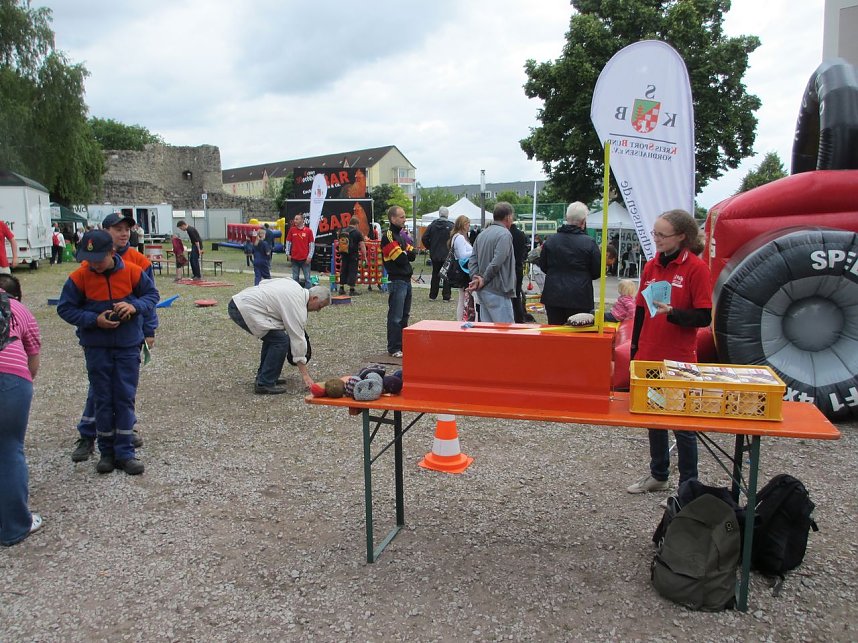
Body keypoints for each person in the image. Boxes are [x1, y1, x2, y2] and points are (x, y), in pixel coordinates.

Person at [57, 230, 159, 475]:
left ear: (112, 253)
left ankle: (125, 453)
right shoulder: (79, 277)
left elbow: (152, 296)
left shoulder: (133, 272)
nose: (93, 264)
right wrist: (94, 320)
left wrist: (133, 306)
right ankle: (106, 452)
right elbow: (65, 308)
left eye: (98, 259)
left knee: (124, 397)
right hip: (96, 348)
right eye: (88, 258)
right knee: (102, 398)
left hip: (126, 346)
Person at [626, 209, 713, 496]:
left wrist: (674, 313)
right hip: (650, 353)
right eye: (655, 233)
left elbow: (703, 317)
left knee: (682, 425)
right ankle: (658, 474)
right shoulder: (651, 266)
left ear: (681, 237)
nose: (657, 239)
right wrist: (635, 348)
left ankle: (689, 486)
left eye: (662, 235)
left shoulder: (696, 269)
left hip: (679, 357)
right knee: (655, 417)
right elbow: (640, 309)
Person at [228, 280, 331, 394]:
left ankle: (265, 377)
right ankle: (265, 383)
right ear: (314, 298)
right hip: (244, 308)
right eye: (320, 306)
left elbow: (264, 282)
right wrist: (305, 375)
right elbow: (297, 339)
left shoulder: (294, 285)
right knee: (280, 341)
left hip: (240, 301)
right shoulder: (297, 305)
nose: (318, 310)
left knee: (274, 337)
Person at [0, 275, 43, 546]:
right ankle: (15, 526)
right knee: (8, 448)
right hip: (9, 377)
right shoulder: (20, 310)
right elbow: (33, 361)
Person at [537, 202, 601, 325]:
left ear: (567, 218)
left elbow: (543, 266)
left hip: (553, 294)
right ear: (583, 221)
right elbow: (597, 271)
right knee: (578, 337)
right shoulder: (590, 243)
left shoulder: (551, 241)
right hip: (580, 295)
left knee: (555, 333)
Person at [467, 202, 516, 323]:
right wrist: (482, 279)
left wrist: (476, 278)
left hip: (483, 291)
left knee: (488, 332)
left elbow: (472, 260)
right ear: (508, 217)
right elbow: (497, 262)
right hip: (498, 289)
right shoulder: (505, 235)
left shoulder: (482, 234)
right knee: (505, 333)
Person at [381, 206, 416, 357]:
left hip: (406, 280)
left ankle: (402, 345)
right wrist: (405, 252)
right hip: (397, 280)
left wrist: (405, 251)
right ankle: (394, 347)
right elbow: (401, 259)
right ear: (393, 218)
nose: (404, 219)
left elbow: (413, 254)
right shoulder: (388, 236)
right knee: (395, 316)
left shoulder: (400, 235)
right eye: (401, 217)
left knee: (404, 315)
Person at [421, 206, 454, 301]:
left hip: (435, 254)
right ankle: (446, 296)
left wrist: (430, 247)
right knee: (446, 275)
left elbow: (424, 238)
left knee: (435, 274)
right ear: (447, 215)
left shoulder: (432, 225)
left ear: (439, 214)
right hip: (447, 254)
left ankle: (432, 296)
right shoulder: (451, 226)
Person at [449, 215, 475, 322]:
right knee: (463, 297)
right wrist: (474, 252)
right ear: (463, 225)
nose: (469, 226)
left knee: (462, 297)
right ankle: (461, 320)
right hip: (463, 270)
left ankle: (461, 319)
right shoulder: (459, 237)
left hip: (461, 269)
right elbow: (462, 255)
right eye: (468, 224)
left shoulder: (457, 237)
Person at [338, 216, 367, 296]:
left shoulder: (343, 231)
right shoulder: (357, 233)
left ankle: (341, 288)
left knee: (343, 270)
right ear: (357, 224)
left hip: (343, 253)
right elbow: (362, 246)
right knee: (352, 271)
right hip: (353, 255)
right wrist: (364, 257)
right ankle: (352, 289)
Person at [285, 214, 314, 289]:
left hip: (305, 258)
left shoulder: (308, 231)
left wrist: (310, 256)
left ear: (302, 220)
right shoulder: (292, 230)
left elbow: (312, 245)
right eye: (295, 219)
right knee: (295, 278)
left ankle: (308, 294)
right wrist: (287, 253)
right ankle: (296, 293)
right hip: (294, 258)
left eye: (297, 219)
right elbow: (288, 242)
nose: (295, 221)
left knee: (307, 278)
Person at [509, 222, 529, 323]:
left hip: (509, 268)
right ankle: (519, 318)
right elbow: (525, 250)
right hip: (518, 267)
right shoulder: (521, 234)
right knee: (517, 295)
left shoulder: (506, 234)